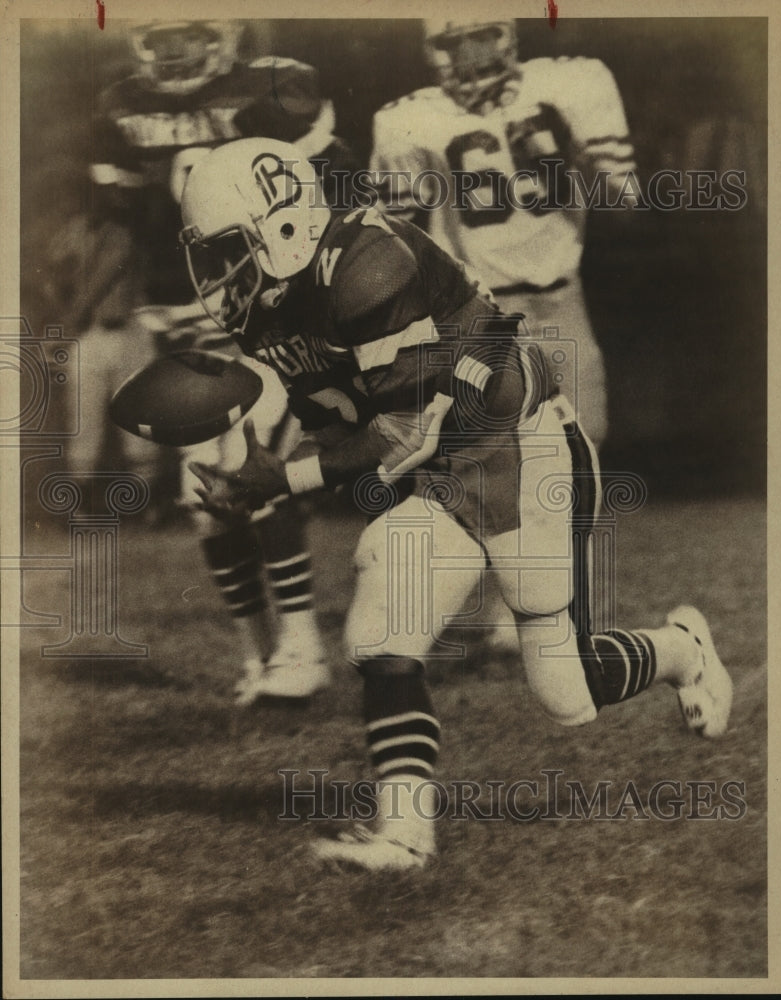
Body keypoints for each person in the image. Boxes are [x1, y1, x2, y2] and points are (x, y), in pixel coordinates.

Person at [180, 137, 733, 871]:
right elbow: (345, 428)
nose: (220, 276)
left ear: (281, 224)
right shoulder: (276, 305)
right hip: (440, 472)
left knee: (566, 695)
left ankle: (680, 650)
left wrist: (279, 479)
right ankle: (405, 836)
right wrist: (288, 468)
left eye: (227, 251)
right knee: (380, 636)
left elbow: (402, 430)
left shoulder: (368, 264)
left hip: (523, 448)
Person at [87, 20, 360, 702]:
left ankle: (302, 650)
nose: (173, 50)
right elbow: (127, 221)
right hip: (183, 326)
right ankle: (259, 657)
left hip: (266, 315)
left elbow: (336, 184)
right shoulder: (121, 106)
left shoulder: (272, 87)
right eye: (160, 37)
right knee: (207, 505)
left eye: (188, 34)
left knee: (252, 473)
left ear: (224, 34)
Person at [370, 19, 639, 450]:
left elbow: (625, 197)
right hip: (482, 308)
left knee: (586, 441)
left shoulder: (568, 83)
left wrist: (587, 148)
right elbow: (387, 234)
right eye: (452, 42)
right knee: (499, 454)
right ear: (431, 50)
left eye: (481, 37)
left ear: (509, 34)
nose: (470, 55)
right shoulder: (408, 117)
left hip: (563, 298)